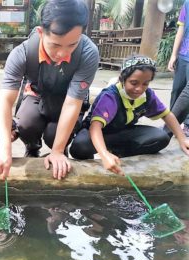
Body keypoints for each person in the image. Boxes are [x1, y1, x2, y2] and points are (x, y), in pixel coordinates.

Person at [0, 0, 99, 180]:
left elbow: (73, 103)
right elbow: (5, 101)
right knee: (26, 123)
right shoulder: (22, 54)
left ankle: (60, 150)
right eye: (56, 45)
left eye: (72, 45)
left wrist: (57, 151)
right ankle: (32, 148)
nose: (63, 54)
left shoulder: (88, 53)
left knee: (53, 134)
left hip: (67, 98)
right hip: (38, 95)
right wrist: (4, 148)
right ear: (41, 33)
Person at [70, 56, 189, 175]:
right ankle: (105, 155)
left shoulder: (147, 95)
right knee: (80, 147)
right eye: (134, 83)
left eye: (145, 84)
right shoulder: (110, 96)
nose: (139, 89)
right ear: (122, 79)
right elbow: (95, 127)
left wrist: (182, 139)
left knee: (161, 137)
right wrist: (104, 153)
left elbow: (167, 115)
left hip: (122, 133)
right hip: (100, 133)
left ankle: (119, 153)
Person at [168, 0, 189, 136]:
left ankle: (186, 124)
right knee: (177, 89)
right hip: (184, 54)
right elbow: (181, 29)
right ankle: (171, 121)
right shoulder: (187, 4)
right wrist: (173, 54)